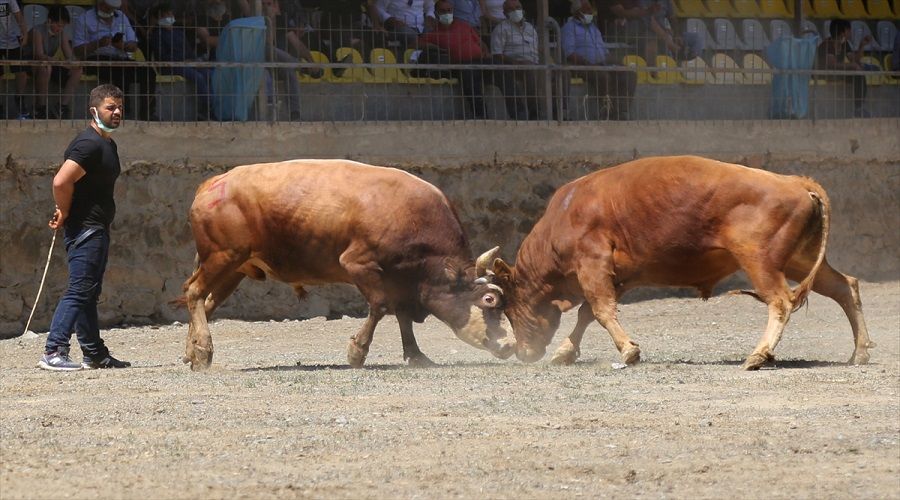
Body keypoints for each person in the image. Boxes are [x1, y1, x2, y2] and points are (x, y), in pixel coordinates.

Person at [40, 83, 132, 372]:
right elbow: (60, 181)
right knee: (80, 290)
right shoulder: (88, 143)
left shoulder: (107, 144)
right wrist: (65, 211)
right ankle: (54, 350)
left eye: (119, 107)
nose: (117, 112)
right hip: (85, 229)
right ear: (94, 110)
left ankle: (94, 353)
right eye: (110, 107)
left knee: (89, 291)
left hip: (97, 227)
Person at [72, 0, 157, 121]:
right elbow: (77, 50)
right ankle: (122, 112)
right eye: (107, 8)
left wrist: (124, 46)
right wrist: (98, 44)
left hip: (120, 57)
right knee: (119, 71)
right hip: (96, 59)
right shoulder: (84, 18)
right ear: (100, 4)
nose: (110, 11)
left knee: (148, 72)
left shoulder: (121, 17)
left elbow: (133, 44)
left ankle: (147, 113)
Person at [561, 0, 636, 120]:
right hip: (582, 65)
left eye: (590, 9)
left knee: (629, 74)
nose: (590, 12)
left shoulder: (593, 28)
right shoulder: (569, 28)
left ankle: (621, 112)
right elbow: (570, 53)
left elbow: (604, 51)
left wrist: (616, 63)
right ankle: (606, 112)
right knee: (602, 75)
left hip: (602, 62)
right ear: (577, 12)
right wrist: (590, 63)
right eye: (586, 10)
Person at [418, 0, 489, 118]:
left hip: (480, 61)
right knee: (470, 77)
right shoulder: (434, 34)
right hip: (462, 65)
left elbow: (481, 43)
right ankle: (482, 117)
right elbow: (416, 44)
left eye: (449, 10)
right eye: (443, 11)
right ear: (436, 14)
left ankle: (520, 114)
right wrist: (433, 46)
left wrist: (486, 52)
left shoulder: (465, 26)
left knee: (503, 70)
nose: (447, 13)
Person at [147, 2, 214, 120]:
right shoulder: (157, 35)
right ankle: (205, 110)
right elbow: (162, 56)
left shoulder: (179, 32)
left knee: (209, 73)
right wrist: (182, 61)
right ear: (159, 18)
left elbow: (189, 50)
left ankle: (212, 107)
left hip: (187, 63)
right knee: (198, 77)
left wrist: (194, 60)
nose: (168, 17)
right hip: (171, 66)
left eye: (169, 14)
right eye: (164, 15)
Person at [23, 6, 83, 119]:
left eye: (63, 26)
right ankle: (40, 107)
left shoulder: (61, 34)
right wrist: (59, 62)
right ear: (50, 21)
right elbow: (39, 55)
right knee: (46, 67)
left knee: (78, 70)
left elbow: (69, 56)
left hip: (50, 63)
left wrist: (74, 63)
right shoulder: (37, 31)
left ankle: (61, 106)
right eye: (58, 25)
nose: (60, 28)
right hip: (32, 64)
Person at [490, 0, 539, 120]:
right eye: (511, 9)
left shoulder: (530, 28)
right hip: (513, 66)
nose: (516, 11)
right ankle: (534, 113)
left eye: (518, 7)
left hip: (535, 64)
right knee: (529, 69)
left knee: (563, 73)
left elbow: (537, 49)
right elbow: (496, 54)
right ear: (505, 13)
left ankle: (561, 112)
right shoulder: (501, 28)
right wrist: (515, 62)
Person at [819, 19, 877, 118]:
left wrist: (862, 45)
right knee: (856, 69)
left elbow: (855, 60)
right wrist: (852, 66)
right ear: (843, 32)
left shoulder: (845, 44)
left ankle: (859, 108)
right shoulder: (827, 44)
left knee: (859, 75)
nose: (850, 33)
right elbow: (831, 65)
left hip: (837, 74)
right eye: (848, 30)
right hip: (824, 73)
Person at [261, 0, 303, 120]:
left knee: (290, 72)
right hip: (260, 62)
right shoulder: (255, 21)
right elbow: (268, 43)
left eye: (268, 4)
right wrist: (269, 21)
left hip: (279, 63)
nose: (265, 7)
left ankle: (295, 113)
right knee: (267, 49)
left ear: (275, 6)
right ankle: (300, 66)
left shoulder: (280, 20)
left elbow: (297, 43)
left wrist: (311, 60)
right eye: (262, 4)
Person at [0, 0, 30, 119]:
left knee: (21, 72)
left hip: (12, 40)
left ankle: (20, 100)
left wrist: (25, 34)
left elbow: (19, 17)